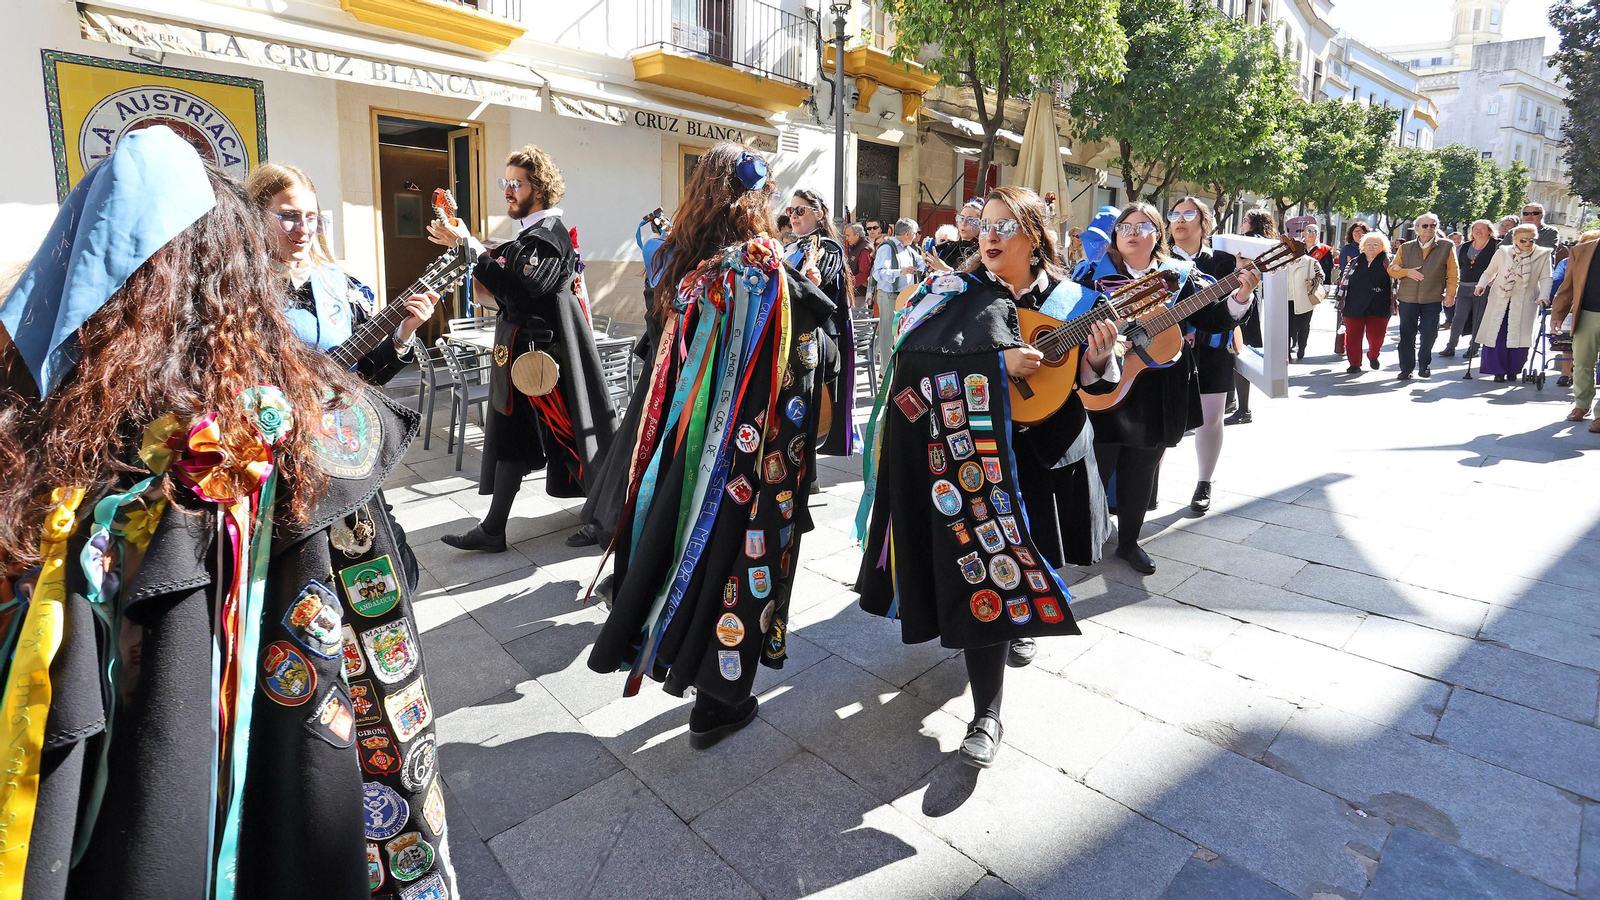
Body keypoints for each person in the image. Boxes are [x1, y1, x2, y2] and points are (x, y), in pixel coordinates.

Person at [0, 125, 453, 898]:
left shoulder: (36, 447)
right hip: (288, 797)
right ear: (233, 271)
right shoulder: (287, 428)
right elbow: (381, 665)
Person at [853, 185, 1120, 767]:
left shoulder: (1076, 299)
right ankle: (987, 712)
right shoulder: (955, 290)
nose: (990, 234)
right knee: (988, 575)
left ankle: (1020, 617)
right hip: (975, 460)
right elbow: (911, 356)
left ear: (1035, 235)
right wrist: (996, 362)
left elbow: (1098, 382)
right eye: (986, 224)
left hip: (1047, 453)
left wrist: (1100, 357)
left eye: (1005, 225)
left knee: (1033, 558)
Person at [586, 143, 837, 748]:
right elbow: (807, 360)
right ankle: (720, 699)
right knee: (741, 563)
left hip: (689, 452)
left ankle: (686, 667)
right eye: (770, 193)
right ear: (754, 199)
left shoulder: (681, 266)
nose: (775, 205)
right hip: (758, 455)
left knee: (688, 553)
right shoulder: (764, 270)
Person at [246, 162, 438, 591]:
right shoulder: (240, 293)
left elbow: (364, 376)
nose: (303, 230)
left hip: (345, 450)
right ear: (256, 214)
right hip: (276, 461)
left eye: (312, 218)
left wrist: (403, 334)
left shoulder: (341, 287)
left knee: (386, 571)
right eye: (289, 216)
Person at [427, 145, 617, 552]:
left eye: (516, 184)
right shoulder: (531, 236)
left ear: (541, 188)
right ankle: (494, 529)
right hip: (521, 361)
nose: (508, 191)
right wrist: (469, 247)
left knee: (572, 439)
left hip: (546, 365)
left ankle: (611, 522)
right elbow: (507, 287)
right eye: (506, 182)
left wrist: (472, 249)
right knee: (512, 438)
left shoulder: (548, 238)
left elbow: (523, 292)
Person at [1083, 202, 1258, 572]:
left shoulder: (1180, 275)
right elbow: (1063, 321)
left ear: (1156, 234)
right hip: (1100, 386)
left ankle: (1129, 543)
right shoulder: (1089, 274)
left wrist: (1241, 296)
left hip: (1156, 387)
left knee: (1142, 469)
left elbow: (1211, 319)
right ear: (1115, 235)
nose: (1132, 232)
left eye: (1142, 225)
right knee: (1094, 467)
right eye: (1125, 226)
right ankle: (1086, 538)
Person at [1167, 197, 1250, 515]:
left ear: (1204, 222)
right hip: (1163, 350)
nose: (1180, 220)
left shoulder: (1224, 260)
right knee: (1161, 416)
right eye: (1174, 214)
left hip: (1213, 348)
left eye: (1189, 214)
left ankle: (1204, 482)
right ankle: (1148, 484)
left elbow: (1236, 311)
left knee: (1211, 419)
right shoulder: (1158, 258)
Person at [785, 188, 858, 456]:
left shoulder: (828, 249)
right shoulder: (789, 247)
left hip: (818, 338)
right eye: (790, 210)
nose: (793, 216)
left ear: (819, 213)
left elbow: (816, 288)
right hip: (794, 334)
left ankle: (809, 472)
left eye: (800, 210)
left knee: (812, 406)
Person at [1473, 223, 1553, 384]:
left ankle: (1513, 370)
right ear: (1515, 239)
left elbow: (1546, 278)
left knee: (1519, 336)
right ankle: (1497, 371)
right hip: (1500, 297)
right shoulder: (1503, 252)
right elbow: (1489, 272)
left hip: (1526, 300)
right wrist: (1481, 285)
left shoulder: (1542, 254)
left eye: (1532, 240)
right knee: (1497, 335)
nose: (1528, 243)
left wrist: (1544, 296)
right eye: (1523, 240)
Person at [1387, 212, 1459, 380]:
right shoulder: (1406, 247)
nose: (1429, 229)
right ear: (1417, 228)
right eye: (1425, 226)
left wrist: (1450, 294)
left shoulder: (1446, 246)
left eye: (1433, 225)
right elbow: (1392, 269)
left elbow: (1453, 273)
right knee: (1406, 335)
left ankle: (1424, 364)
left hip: (1432, 298)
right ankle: (1406, 369)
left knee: (1429, 334)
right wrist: (1407, 272)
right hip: (1408, 298)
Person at [1226, 208, 1276, 425]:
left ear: (1254, 224)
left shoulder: (1248, 242)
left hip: (1240, 297)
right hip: (1251, 299)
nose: (1241, 225)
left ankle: (1241, 408)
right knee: (1238, 351)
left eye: (1245, 220)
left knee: (1236, 351)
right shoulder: (1265, 244)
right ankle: (1234, 402)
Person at [1553, 230, 1600, 427]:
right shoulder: (1582, 250)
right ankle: (1582, 404)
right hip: (1588, 313)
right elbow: (1568, 284)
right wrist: (1558, 313)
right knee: (1582, 363)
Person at [1338, 232, 1395, 374]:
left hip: (1379, 304)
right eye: (1368, 244)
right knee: (1353, 337)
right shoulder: (1354, 262)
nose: (1371, 247)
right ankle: (1354, 363)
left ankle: (1373, 355)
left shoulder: (1390, 262)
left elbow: (1396, 282)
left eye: (1376, 244)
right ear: (1362, 246)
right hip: (1353, 304)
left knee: (1376, 337)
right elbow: (1344, 280)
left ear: (1383, 247)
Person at [1442, 220, 1498, 359]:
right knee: (1458, 317)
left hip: (1483, 288)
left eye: (1482, 228)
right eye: (1475, 229)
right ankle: (1450, 346)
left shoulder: (1496, 245)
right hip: (1464, 286)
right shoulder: (1466, 246)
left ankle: (1474, 347)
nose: (1478, 231)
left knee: (1479, 318)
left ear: (1489, 230)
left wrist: (1493, 281)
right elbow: (1459, 265)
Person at [873, 217, 924, 363]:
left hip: (905, 299)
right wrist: (900, 272)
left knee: (900, 337)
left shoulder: (910, 250)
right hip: (890, 296)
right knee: (888, 337)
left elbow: (921, 265)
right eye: (915, 233)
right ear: (908, 233)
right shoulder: (887, 247)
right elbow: (878, 273)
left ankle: (896, 373)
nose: (916, 237)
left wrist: (927, 260)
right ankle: (885, 377)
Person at [1286, 223, 1332, 362]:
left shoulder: (1322, 252)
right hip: (1289, 294)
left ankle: (1301, 346)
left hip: (1307, 294)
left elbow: (1325, 272)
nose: (1311, 234)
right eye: (1309, 231)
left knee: (1303, 323)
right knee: (1288, 324)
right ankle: (1287, 349)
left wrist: (1319, 286)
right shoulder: (1289, 255)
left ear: (1318, 234)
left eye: (1314, 231)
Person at [937, 199, 983, 270]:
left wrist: (946, 270)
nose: (963, 223)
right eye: (961, 218)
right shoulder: (948, 248)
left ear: (980, 224)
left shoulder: (982, 252)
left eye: (970, 220)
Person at [845, 222, 874, 307]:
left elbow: (864, 274)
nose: (847, 239)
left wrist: (848, 285)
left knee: (858, 319)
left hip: (859, 295)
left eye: (848, 235)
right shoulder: (857, 247)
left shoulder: (864, 249)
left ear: (857, 235)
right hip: (854, 292)